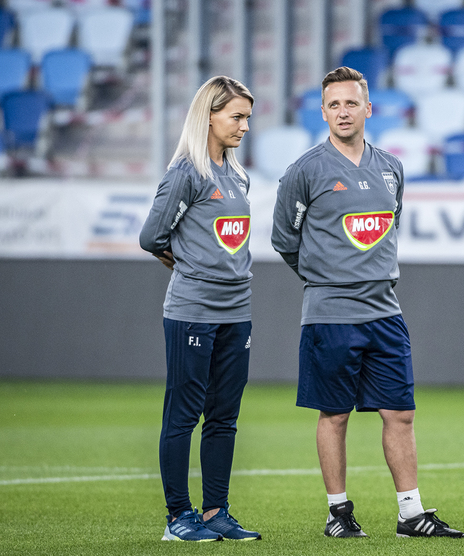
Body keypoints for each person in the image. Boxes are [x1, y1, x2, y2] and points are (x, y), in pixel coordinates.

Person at [270, 66, 464, 540]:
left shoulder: (392, 168)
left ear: (368, 108)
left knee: (401, 413)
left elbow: (390, 228)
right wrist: (325, 279)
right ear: (322, 112)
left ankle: (411, 514)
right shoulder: (304, 171)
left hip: (385, 313)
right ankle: (338, 513)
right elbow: (284, 240)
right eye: (333, 104)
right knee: (334, 415)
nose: (343, 112)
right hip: (329, 315)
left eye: (351, 103)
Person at [139, 75, 261, 543]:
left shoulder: (237, 175)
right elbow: (152, 237)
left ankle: (215, 513)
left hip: (237, 311)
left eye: (247, 117)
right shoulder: (185, 173)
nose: (245, 126)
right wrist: (188, 264)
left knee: (224, 416)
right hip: (193, 311)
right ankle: (177, 518)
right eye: (237, 116)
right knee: (183, 415)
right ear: (208, 115)